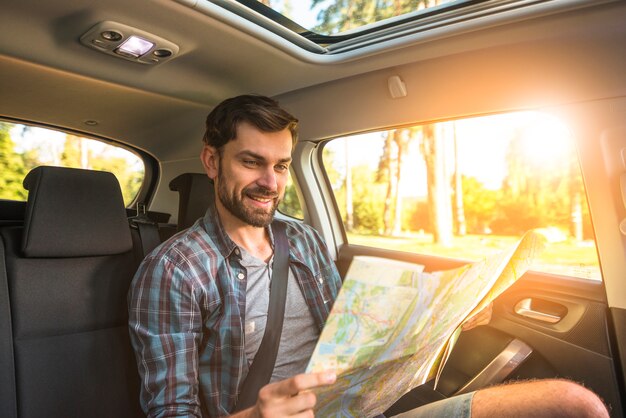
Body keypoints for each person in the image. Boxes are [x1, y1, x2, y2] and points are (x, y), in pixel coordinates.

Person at [128, 94, 609, 418]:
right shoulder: (174, 270)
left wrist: (443, 317)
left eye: (280, 165)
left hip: (362, 405)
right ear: (212, 161)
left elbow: (350, 330)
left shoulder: (305, 238)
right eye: (250, 161)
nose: (270, 183)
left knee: (575, 403)